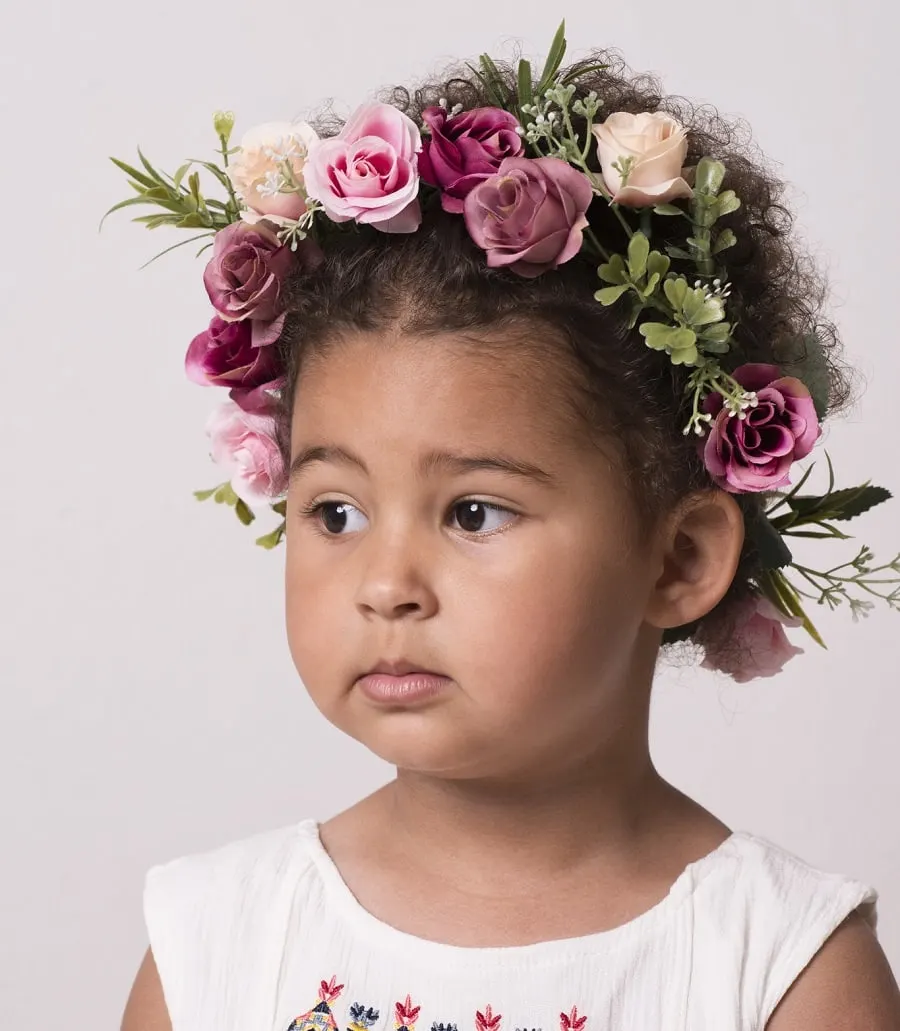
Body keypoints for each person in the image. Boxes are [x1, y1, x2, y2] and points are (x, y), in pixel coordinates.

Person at [113, 26, 900, 1031]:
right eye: (337, 512)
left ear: (680, 555)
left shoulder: (780, 963)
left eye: (473, 510)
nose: (385, 581)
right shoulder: (214, 949)